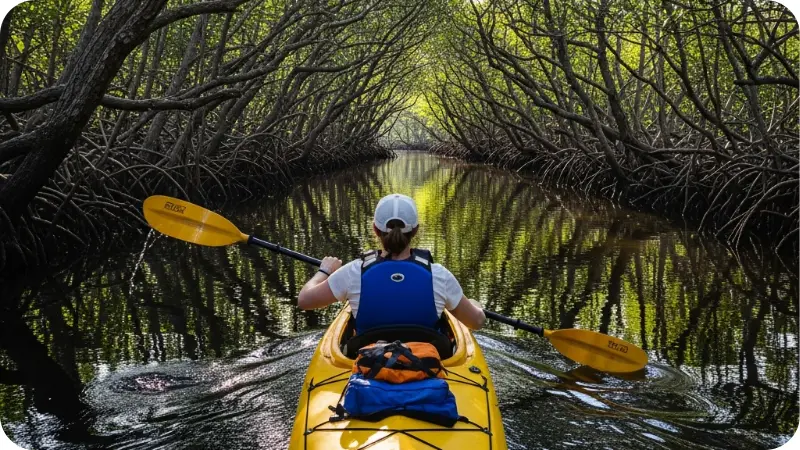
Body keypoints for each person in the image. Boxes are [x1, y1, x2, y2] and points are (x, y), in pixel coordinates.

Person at [297, 193, 486, 333]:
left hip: (369, 372)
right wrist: (475, 305)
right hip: (424, 370)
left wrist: (325, 271)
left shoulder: (354, 272)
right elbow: (477, 322)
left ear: (375, 229)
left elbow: (304, 300)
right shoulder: (439, 275)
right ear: (416, 230)